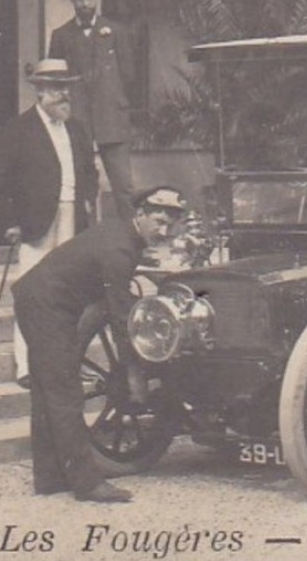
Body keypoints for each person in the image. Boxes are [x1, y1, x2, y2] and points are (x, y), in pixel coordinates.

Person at [11, 186, 188, 502]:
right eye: (157, 221)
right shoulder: (120, 250)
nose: (163, 230)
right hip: (47, 305)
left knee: (46, 389)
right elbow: (122, 319)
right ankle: (87, 483)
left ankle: (50, 476)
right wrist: (135, 372)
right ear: (140, 215)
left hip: (39, 297)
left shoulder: (123, 236)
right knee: (64, 391)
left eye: (170, 225)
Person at [0, 59, 99, 388]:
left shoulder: (75, 129)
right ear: (40, 90)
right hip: (35, 224)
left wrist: (88, 198)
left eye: (67, 88)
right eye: (58, 88)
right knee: (31, 293)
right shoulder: (19, 130)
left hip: (73, 219)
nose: (64, 95)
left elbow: (90, 171)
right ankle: (27, 366)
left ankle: (68, 363)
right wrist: (10, 221)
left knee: (71, 292)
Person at [47, 0, 140, 219]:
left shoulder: (116, 32)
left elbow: (129, 75)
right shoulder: (61, 35)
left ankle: (131, 240)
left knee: (123, 186)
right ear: (71, 0)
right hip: (77, 120)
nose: (84, 4)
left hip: (112, 117)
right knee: (79, 184)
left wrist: (113, 99)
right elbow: (54, 80)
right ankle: (83, 240)